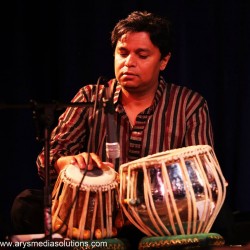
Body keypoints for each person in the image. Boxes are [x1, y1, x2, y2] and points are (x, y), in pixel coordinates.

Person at [11, 10, 225, 248]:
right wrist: (69, 162)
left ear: (163, 60)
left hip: (162, 216)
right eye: (122, 53)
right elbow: (47, 159)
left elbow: (202, 178)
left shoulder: (188, 105)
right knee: (26, 205)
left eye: (142, 55)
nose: (129, 62)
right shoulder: (91, 97)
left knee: (222, 218)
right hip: (95, 216)